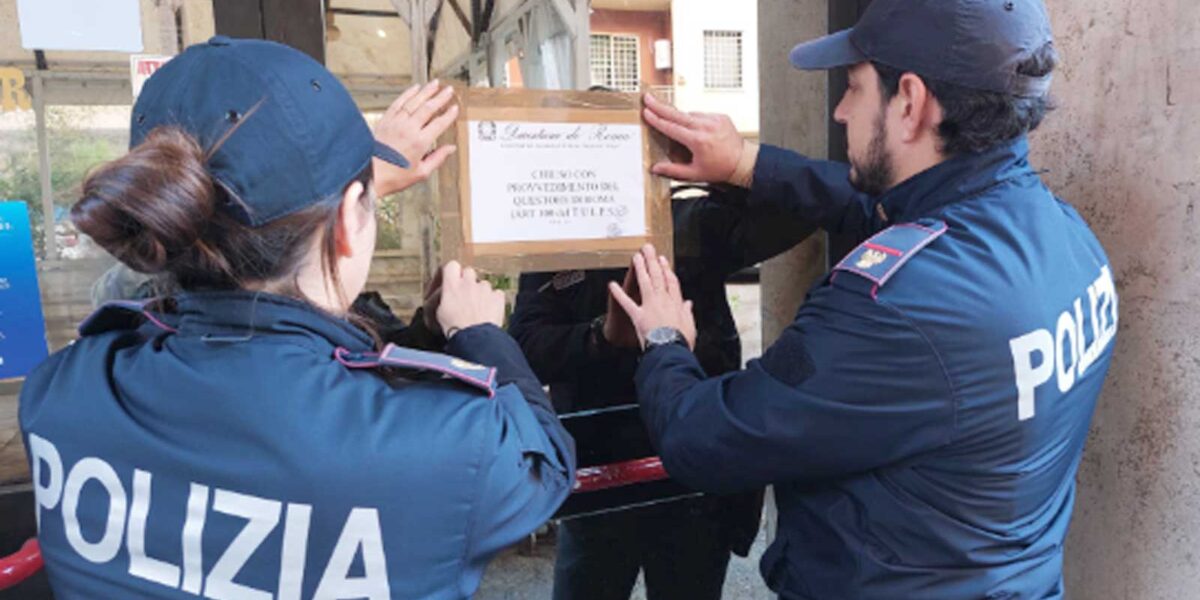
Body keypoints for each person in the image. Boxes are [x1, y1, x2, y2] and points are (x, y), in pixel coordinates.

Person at [19, 36, 574, 600]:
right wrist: (478, 330)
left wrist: (346, 191)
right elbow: (545, 463)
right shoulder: (450, 448)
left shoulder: (64, 389)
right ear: (348, 225)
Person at [607, 1, 1118, 598]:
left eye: (852, 88)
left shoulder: (893, 311)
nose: (842, 111)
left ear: (910, 102)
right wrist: (746, 164)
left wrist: (665, 341)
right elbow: (899, 212)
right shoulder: (1069, 241)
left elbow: (706, 440)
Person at [509, 182, 813, 600]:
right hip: (601, 472)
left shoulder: (692, 220)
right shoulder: (560, 232)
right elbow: (524, 344)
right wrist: (602, 336)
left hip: (694, 473)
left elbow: (794, 214)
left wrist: (727, 171)